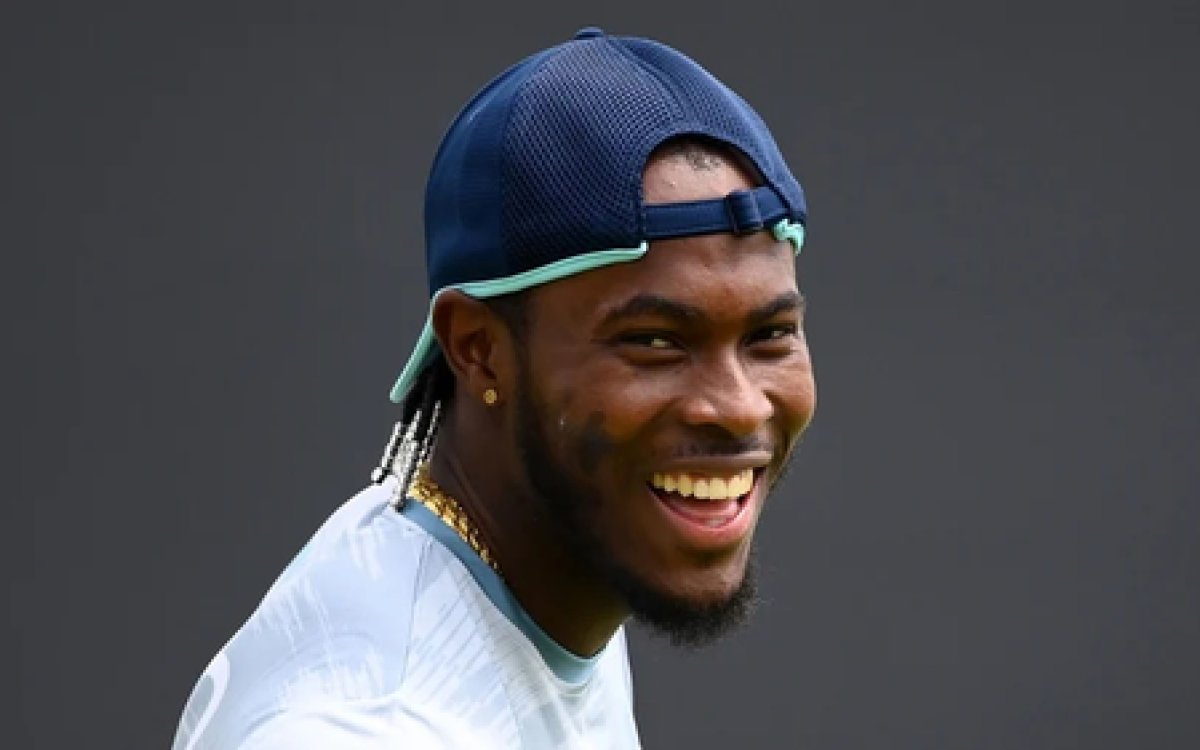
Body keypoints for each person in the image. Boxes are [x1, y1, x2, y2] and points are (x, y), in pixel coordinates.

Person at [172, 27, 815, 749]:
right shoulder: (370, 728)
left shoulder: (548, 568)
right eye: (655, 342)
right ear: (478, 351)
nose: (738, 407)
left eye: (770, 335)